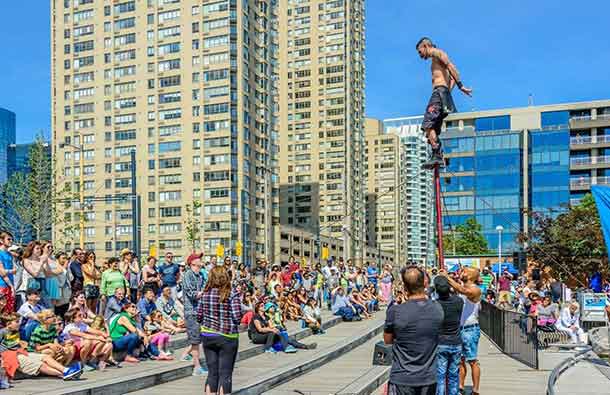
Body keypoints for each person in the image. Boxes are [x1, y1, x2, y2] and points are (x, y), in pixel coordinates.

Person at [384, 266, 444, 395]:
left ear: (404, 287)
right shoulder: (437, 309)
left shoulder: (394, 311)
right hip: (428, 377)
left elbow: (387, 340)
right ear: (424, 283)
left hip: (402, 377)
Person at [416, 37, 472, 166]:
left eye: (420, 52)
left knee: (427, 124)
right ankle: (439, 154)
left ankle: (437, 154)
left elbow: (452, 67)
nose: (420, 56)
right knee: (433, 129)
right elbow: (450, 77)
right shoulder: (435, 62)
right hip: (443, 95)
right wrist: (447, 94)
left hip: (439, 94)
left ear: (425, 46)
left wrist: (460, 86)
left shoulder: (437, 53)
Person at [197, 266, 243, 395]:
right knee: (225, 374)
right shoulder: (231, 293)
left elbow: (199, 316)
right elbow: (237, 317)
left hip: (208, 335)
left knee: (212, 373)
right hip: (227, 336)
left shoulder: (205, 293)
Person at [0, 313, 83, 380]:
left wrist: (22, 344)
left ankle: (66, 370)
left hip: (21, 352)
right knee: (39, 364)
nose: (19, 323)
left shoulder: (17, 332)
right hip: (11, 356)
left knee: (45, 357)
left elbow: (15, 344)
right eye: (17, 322)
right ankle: (63, 374)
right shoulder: (2, 332)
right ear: (8, 324)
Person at [441, 267, 482, 395]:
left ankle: (475, 390)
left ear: (470, 276)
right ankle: (460, 386)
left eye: (464, 271)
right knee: (460, 361)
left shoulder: (475, 289)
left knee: (473, 360)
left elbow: (463, 290)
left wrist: (446, 277)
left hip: (470, 330)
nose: (461, 273)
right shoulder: (461, 288)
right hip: (460, 329)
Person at [434, 276, 464, 395]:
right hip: (456, 342)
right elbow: (459, 291)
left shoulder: (435, 305)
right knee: (453, 376)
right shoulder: (459, 302)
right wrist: (450, 281)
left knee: (440, 376)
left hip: (441, 342)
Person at [180, 252, 207, 376]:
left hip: (200, 310)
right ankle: (196, 367)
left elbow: (205, 287)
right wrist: (204, 292)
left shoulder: (201, 275)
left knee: (199, 337)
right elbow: (192, 294)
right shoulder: (187, 275)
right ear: (192, 263)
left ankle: (185, 354)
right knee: (196, 339)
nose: (201, 262)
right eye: (199, 260)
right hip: (191, 311)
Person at [0, 231, 16, 313]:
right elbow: (2, 272)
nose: (11, 241)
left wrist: (8, 271)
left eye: (12, 239)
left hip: (10, 285)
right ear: (1, 240)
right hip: (2, 285)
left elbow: (15, 270)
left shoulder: (10, 254)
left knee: (9, 311)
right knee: (2, 310)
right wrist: (11, 286)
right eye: (8, 239)